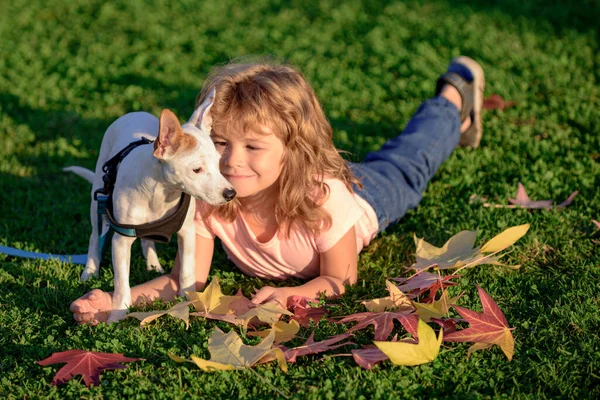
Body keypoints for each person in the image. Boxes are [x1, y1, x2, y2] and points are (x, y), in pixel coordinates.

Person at [71, 56, 485, 324]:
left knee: (410, 160)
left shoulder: (324, 198)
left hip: (368, 197)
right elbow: (186, 278)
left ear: (293, 148)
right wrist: (113, 298)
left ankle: (455, 93)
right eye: (221, 143)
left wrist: (294, 295)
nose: (231, 161)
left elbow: (341, 280)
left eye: (253, 146)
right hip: (296, 181)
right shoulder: (210, 198)